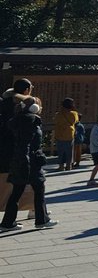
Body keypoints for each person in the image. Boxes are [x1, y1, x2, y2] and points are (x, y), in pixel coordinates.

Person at [1, 98, 57, 232]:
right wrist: (26, 162)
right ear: (34, 108)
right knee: (39, 190)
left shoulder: (18, 120)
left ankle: (8, 222)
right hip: (31, 161)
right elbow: (25, 145)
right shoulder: (30, 121)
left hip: (20, 161)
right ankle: (41, 220)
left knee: (16, 192)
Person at [53, 97, 79, 172]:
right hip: (69, 134)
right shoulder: (74, 114)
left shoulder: (58, 114)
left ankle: (61, 166)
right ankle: (69, 165)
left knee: (60, 151)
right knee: (69, 151)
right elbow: (76, 121)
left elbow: (56, 121)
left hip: (60, 134)